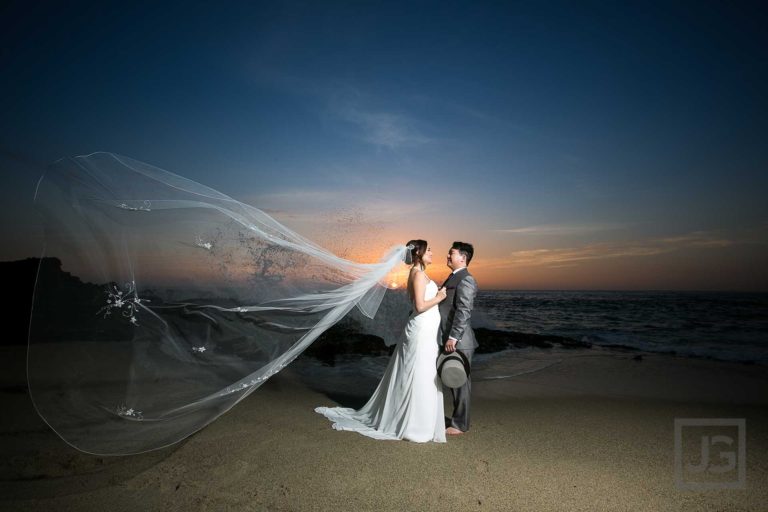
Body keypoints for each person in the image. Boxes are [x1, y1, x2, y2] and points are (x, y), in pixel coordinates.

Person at [315, 239, 448, 442]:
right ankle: (414, 426)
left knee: (421, 372)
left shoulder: (419, 273)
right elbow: (420, 306)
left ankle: (417, 421)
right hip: (421, 330)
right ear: (419, 253)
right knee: (419, 372)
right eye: (428, 249)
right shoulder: (418, 274)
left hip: (425, 330)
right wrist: (439, 297)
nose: (431, 252)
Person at [439, 241, 478, 436]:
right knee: (452, 380)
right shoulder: (453, 277)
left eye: (451, 253)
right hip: (449, 339)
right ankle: (454, 419)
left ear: (462, 258)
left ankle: (460, 425)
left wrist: (453, 337)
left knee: (461, 383)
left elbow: (464, 311)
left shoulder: (466, 279)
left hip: (460, 342)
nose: (447, 256)